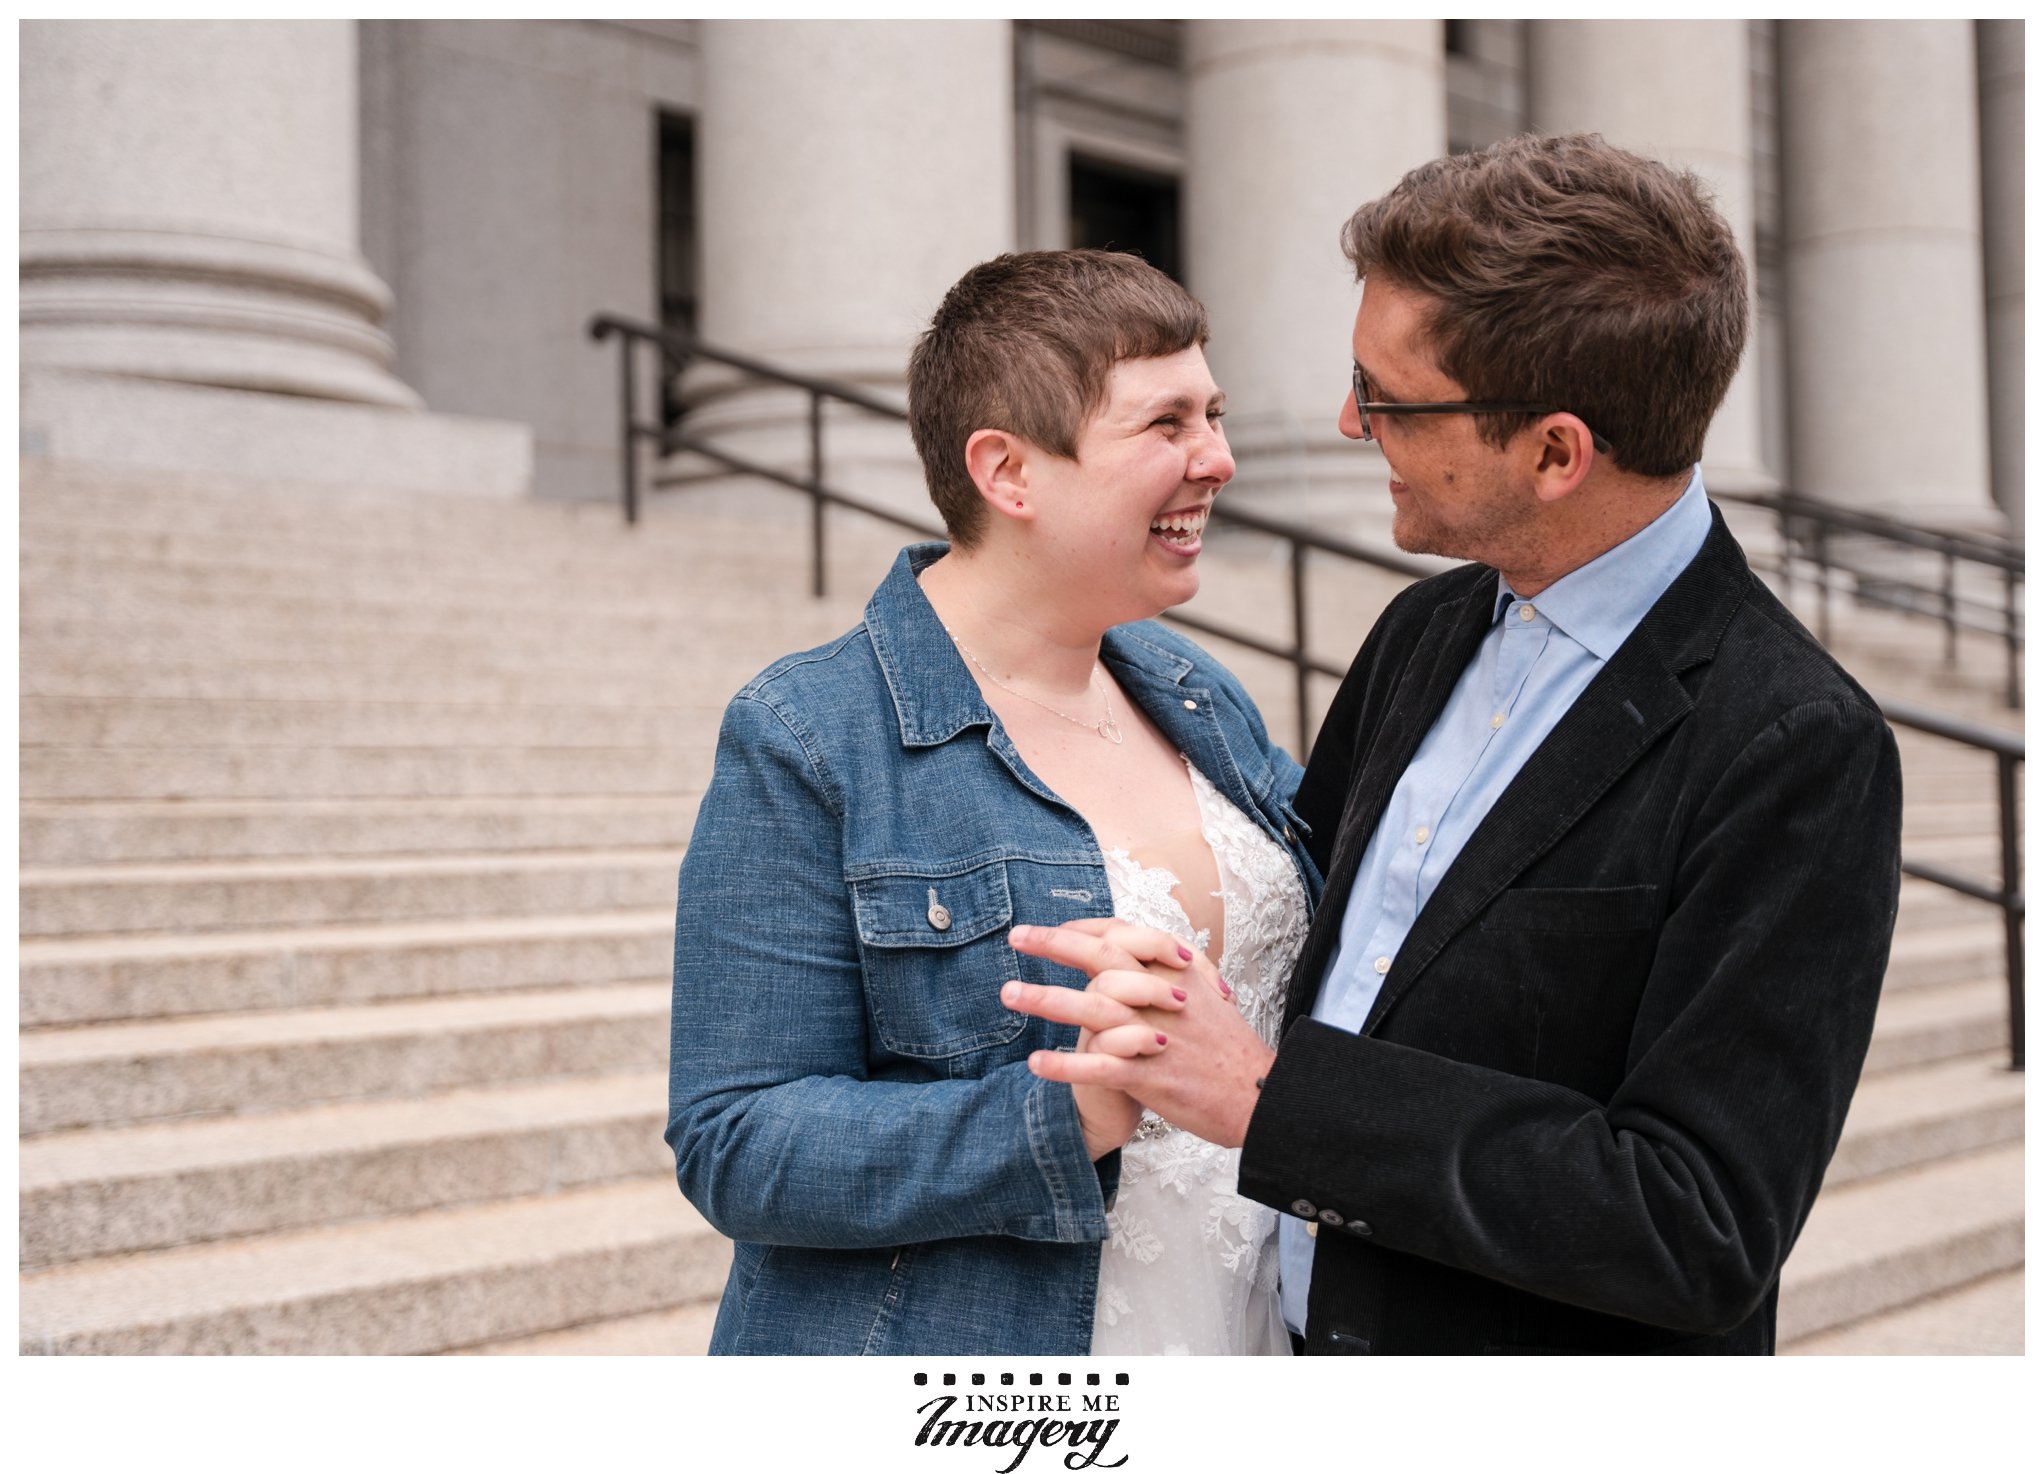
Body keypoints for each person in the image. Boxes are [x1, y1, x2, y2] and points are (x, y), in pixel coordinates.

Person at [1005, 133, 1904, 1354]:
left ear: (1553, 452)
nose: (1343, 420)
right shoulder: (1424, 625)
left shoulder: (1797, 744)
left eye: (1384, 395)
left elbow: (1697, 1224)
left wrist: (1273, 1105)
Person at [666, 249, 1319, 1354]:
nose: (1218, 457)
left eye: (1212, 413)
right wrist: (1063, 1116)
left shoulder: (1203, 694)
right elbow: (737, 1138)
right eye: (1165, 425)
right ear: (1008, 472)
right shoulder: (809, 734)